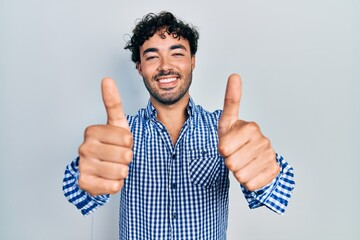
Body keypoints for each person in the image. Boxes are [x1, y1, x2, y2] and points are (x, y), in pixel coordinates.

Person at [63, 11, 295, 239]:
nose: (165, 66)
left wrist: (267, 177)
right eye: (152, 56)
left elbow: (279, 193)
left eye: (177, 54)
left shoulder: (224, 130)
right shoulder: (122, 134)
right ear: (140, 67)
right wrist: (87, 177)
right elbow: (76, 193)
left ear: (192, 61)